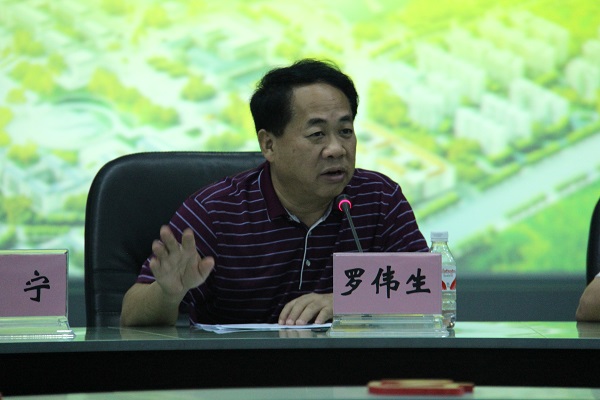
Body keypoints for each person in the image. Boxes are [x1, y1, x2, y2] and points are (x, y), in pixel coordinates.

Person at [120, 59, 429, 327]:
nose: (336, 149)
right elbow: (130, 316)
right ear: (268, 145)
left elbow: (431, 292)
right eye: (317, 134)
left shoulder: (379, 198)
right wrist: (168, 293)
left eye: (345, 131)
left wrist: (349, 300)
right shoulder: (216, 212)